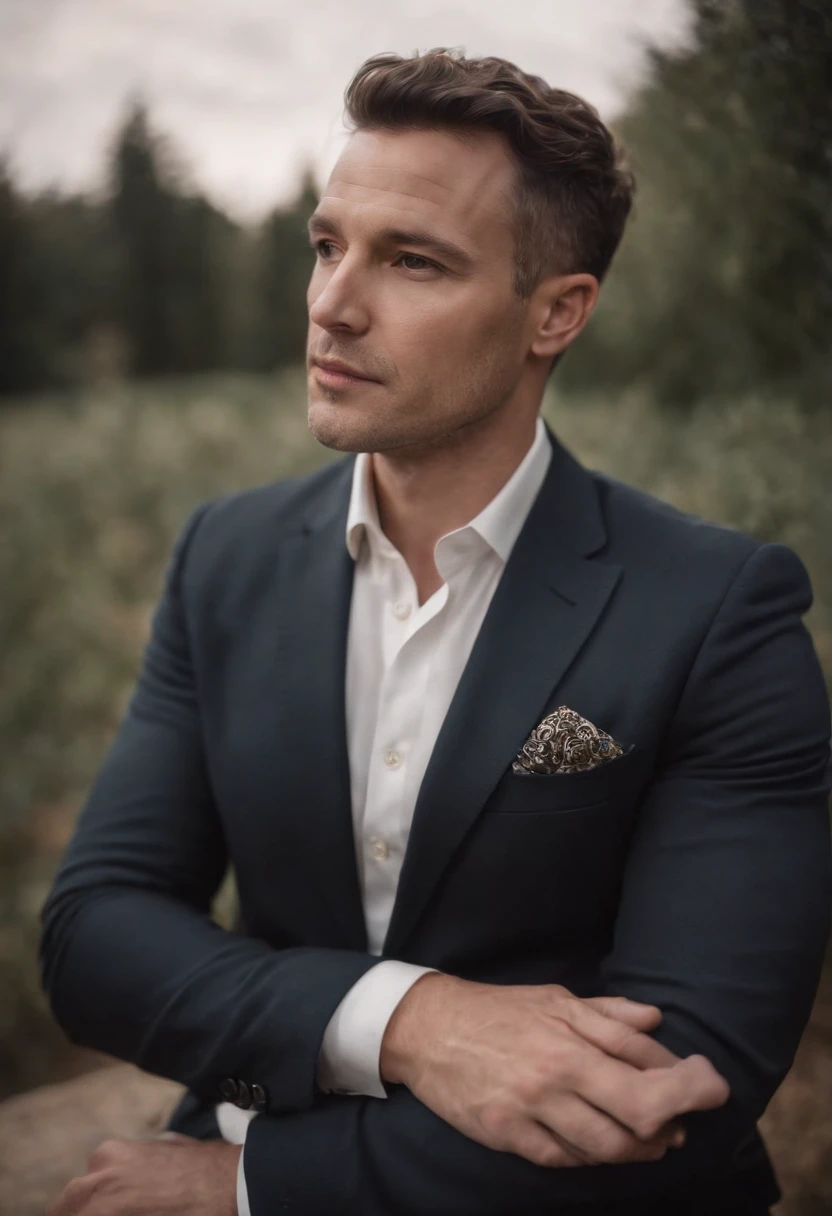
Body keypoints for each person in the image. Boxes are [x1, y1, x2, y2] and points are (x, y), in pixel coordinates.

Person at [40, 47, 831, 1216]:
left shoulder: (719, 610)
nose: (330, 304)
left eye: (411, 261)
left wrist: (257, 1185)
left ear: (555, 311)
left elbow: (687, 1082)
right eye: (326, 245)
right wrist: (409, 1020)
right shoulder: (227, 556)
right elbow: (95, 934)